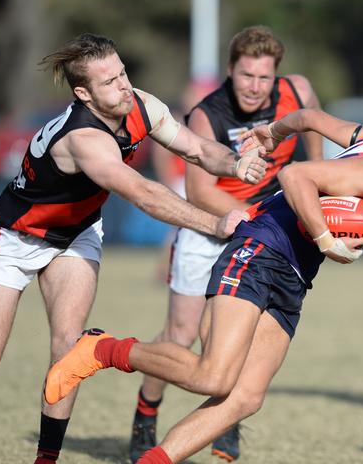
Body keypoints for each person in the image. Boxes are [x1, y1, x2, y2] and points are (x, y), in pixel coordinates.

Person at [44, 100, 363, 464]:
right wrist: (326, 239)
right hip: (263, 250)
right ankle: (100, 349)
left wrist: (275, 132)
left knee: (244, 397)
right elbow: (295, 174)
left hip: (293, 273)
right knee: (212, 376)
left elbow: (311, 118)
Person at [0, 33, 267, 464]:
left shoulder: (138, 102)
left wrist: (235, 163)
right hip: (17, 237)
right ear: (84, 93)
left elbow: (194, 148)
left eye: (122, 72)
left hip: (76, 234)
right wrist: (215, 223)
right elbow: (143, 194)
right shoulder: (84, 139)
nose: (123, 85)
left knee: (68, 346)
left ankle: (46, 460)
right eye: (110, 81)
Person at [129, 25, 322, 463]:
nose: (255, 87)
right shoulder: (207, 114)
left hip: (265, 231)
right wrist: (247, 220)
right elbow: (197, 190)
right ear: (231, 70)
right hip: (210, 226)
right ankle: (146, 411)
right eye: (246, 76)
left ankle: (226, 421)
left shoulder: (297, 90)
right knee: (182, 335)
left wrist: (316, 173)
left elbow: (312, 126)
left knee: (237, 339)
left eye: (264, 78)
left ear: (277, 76)